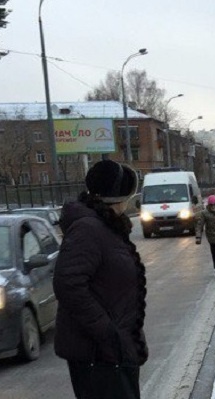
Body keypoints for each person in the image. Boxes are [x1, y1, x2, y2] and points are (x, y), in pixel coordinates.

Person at [54, 160, 147, 399]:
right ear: (119, 196)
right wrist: (108, 333)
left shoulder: (106, 226)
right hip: (98, 356)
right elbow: (68, 284)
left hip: (112, 353)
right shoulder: (89, 229)